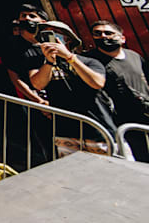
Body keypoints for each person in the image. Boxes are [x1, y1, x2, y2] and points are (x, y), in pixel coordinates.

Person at [29, 20, 117, 155]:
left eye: (55, 33)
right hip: (66, 132)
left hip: (98, 128)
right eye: (46, 33)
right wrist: (49, 61)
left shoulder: (89, 61)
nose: (51, 36)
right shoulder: (40, 64)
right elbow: (37, 84)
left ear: (68, 39)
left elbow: (97, 83)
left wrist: (69, 57)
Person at [0, 4, 55, 170]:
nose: (27, 19)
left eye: (32, 16)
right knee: (47, 145)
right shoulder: (13, 45)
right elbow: (15, 79)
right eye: (23, 15)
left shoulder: (54, 41)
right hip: (33, 102)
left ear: (43, 21)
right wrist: (37, 101)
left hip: (58, 98)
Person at [86, 20, 149, 161]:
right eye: (97, 34)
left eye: (108, 33)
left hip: (144, 114)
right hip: (121, 123)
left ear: (122, 38)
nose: (103, 36)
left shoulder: (134, 55)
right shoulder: (91, 60)